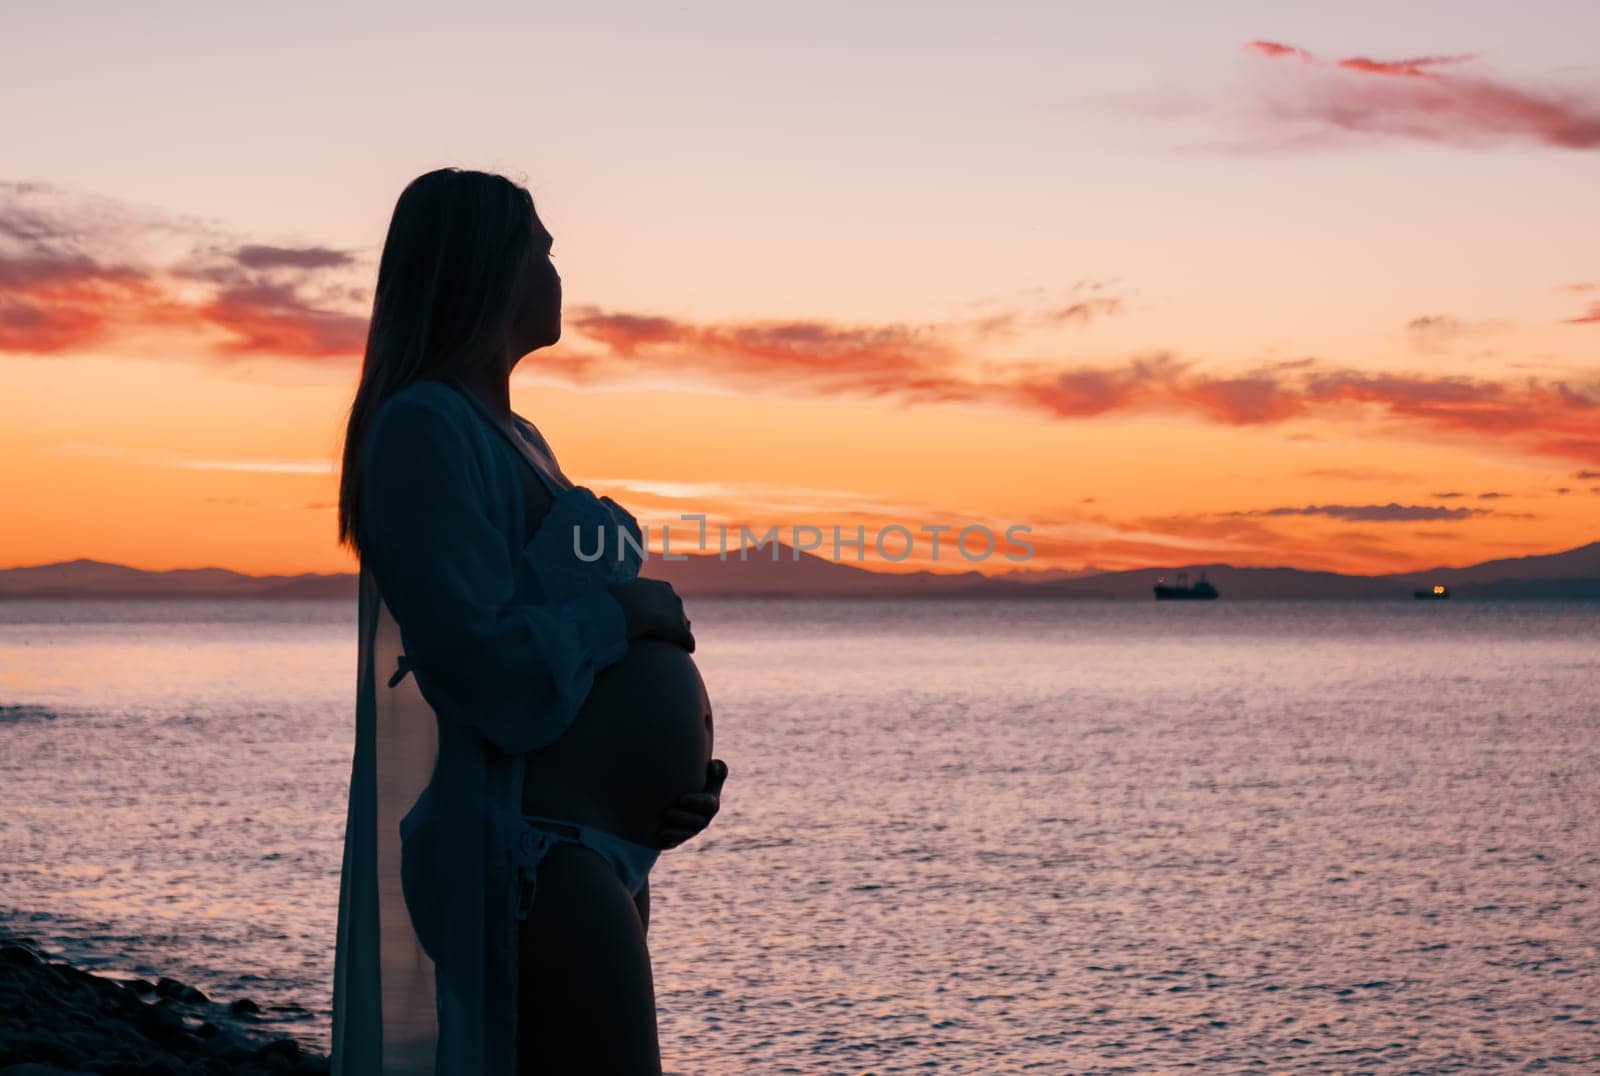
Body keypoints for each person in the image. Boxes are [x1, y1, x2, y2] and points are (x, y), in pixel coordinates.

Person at [332, 167, 729, 1075]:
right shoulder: (423, 427)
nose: (558, 269)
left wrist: (674, 779)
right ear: (483, 267)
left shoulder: (521, 437)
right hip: (520, 849)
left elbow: (552, 649)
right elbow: (477, 668)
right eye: (541, 249)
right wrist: (627, 613)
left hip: (586, 843)